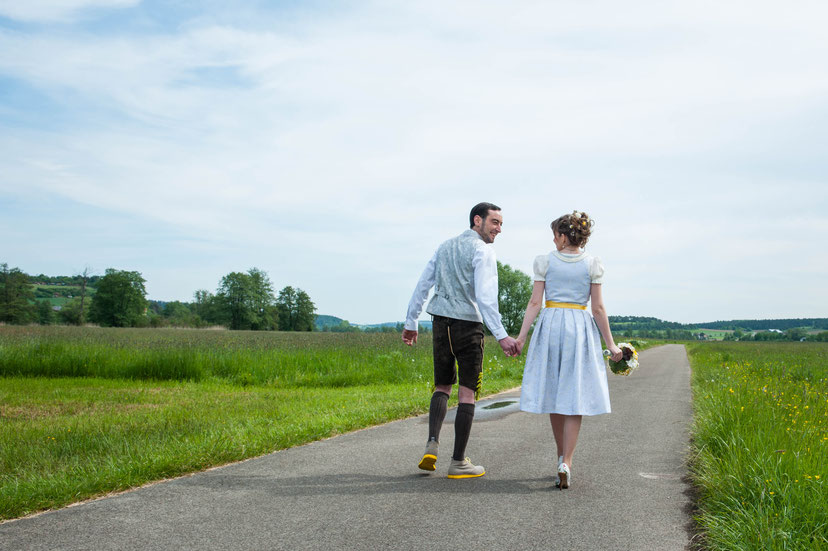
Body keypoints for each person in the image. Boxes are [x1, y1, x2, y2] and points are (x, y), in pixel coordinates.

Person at [403, 202, 521, 479]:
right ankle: (458, 462)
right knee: (467, 392)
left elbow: (423, 284)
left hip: (440, 321)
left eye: (501, 224)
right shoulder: (483, 251)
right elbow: (485, 296)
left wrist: (411, 321)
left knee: (442, 385)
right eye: (495, 222)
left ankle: (432, 443)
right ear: (477, 220)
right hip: (468, 325)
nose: (499, 229)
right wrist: (502, 335)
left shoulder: (444, 247)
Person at [516, 211, 623, 489]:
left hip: (551, 326)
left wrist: (521, 336)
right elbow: (598, 308)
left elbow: (534, 303)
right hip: (578, 328)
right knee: (574, 394)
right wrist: (610, 344)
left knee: (554, 392)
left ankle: (560, 456)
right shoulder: (592, 264)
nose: (553, 240)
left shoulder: (545, 262)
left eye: (555, 235)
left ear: (564, 236)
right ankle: (568, 461)